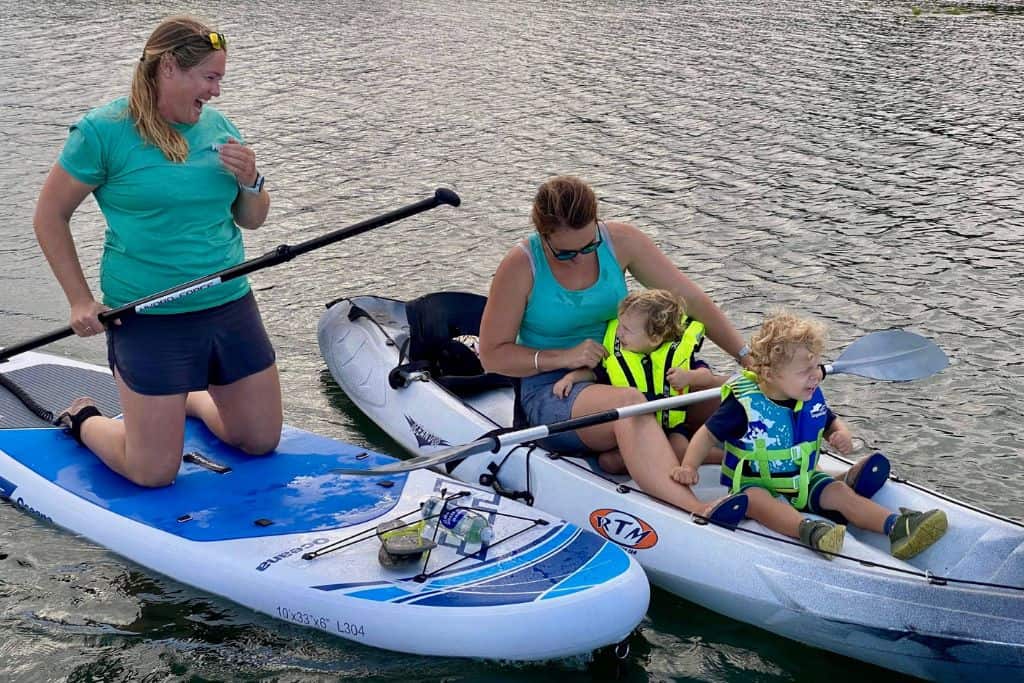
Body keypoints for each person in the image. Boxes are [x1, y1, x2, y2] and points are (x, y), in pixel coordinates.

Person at [33, 16, 282, 487]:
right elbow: (49, 216)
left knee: (260, 440)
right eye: (210, 77)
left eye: (220, 79)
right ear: (169, 67)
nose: (216, 91)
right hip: (148, 315)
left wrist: (252, 181)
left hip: (228, 305)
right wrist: (80, 300)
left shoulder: (220, 128)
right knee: (153, 473)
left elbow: (252, 219)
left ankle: (187, 397)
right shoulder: (102, 132)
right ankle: (86, 418)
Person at [478, 175, 750, 522]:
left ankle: (813, 477)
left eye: (588, 246)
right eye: (564, 252)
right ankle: (696, 509)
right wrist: (564, 357)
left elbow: (692, 300)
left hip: (631, 367)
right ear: (542, 233)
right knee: (630, 405)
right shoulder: (520, 266)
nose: (578, 258)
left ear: (597, 221)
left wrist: (746, 357)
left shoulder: (622, 241)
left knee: (737, 394)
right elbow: (493, 354)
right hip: (556, 386)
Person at [673, 311, 948, 560]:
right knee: (756, 500)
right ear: (769, 374)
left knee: (838, 492)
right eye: (805, 371)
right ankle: (810, 531)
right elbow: (706, 436)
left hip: (803, 481)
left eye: (817, 366)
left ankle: (897, 526)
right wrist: (688, 466)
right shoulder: (742, 405)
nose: (816, 376)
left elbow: (831, 422)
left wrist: (842, 434)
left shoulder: (808, 396)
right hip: (754, 484)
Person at [553, 289, 728, 468]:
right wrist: (570, 378)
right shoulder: (617, 357)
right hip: (635, 429)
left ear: (654, 338)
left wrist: (689, 377)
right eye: (619, 325)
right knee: (608, 463)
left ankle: (727, 459)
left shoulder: (677, 357)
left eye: (626, 329)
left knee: (680, 451)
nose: (619, 333)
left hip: (671, 427)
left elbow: (706, 376)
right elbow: (595, 373)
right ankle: (654, 461)